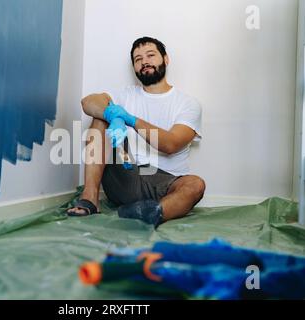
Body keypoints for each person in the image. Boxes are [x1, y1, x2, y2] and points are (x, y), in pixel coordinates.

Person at [67, 37, 206, 227]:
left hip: (166, 182)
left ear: (166, 59)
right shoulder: (125, 95)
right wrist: (112, 115)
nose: (144, 62)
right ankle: (90, 199)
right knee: (99, 117)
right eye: (138, 59)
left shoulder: (188, 104)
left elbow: (171, 144)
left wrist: (130, 119)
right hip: (125, 171)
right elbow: (88, 102)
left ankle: (151, 211)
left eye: (150, 55)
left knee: (195, 185)